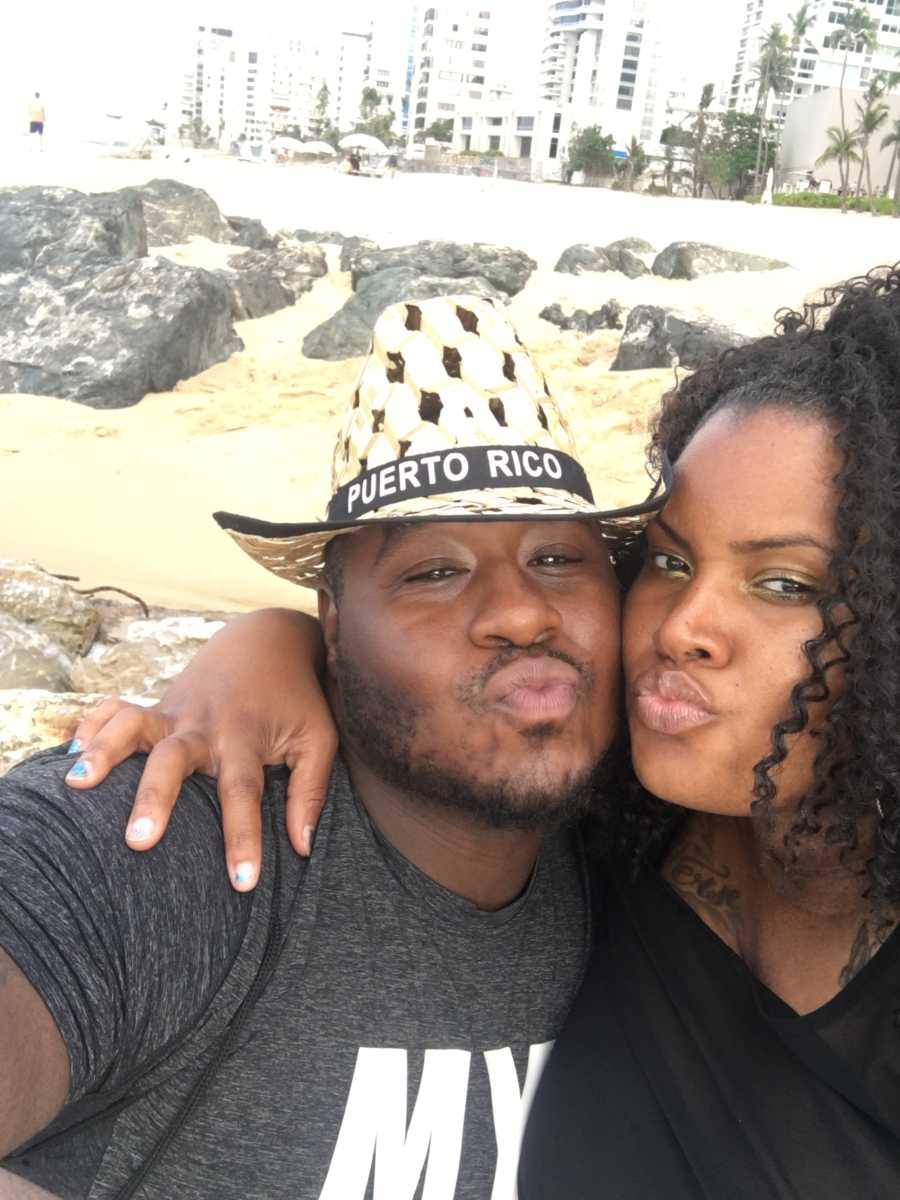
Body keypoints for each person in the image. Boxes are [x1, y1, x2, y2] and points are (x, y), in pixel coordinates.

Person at [69, 265, 900, 1196]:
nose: (680, 628)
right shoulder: (597, 825)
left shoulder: (592, 835)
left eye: (786, 584)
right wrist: (270, 644)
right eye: (668, 560)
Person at [0, 296, 668, 1198]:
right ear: (335, 630)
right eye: (435, 571)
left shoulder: (642, 863)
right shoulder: (181, 846)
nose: (522, 611)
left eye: (558, 559)